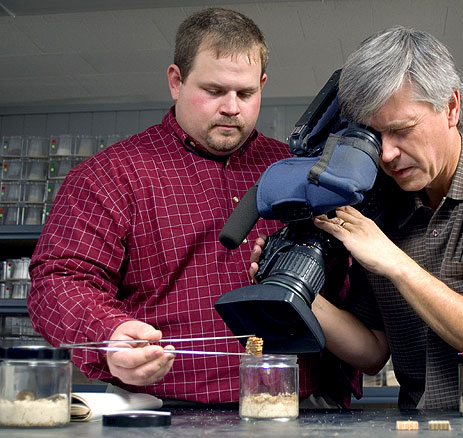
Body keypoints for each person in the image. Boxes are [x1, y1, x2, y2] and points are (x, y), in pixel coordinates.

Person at [27, 7, 351, 406]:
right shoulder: (109, 175)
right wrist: (109, 334)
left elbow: (346, 290)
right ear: (176, 81)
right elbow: (58, 280)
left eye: (246, 93)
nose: (232, 107)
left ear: (262, 85)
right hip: (164, 413)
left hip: (296, 407)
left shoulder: (296, 173)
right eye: (214, 91)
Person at [253, 26, 463, 411]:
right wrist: (292, 290)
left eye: (402, 131)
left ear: (451, 108)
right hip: (417, 423)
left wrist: (393, 261)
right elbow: (372, 350)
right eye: (375, 136)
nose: (387, 154)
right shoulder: (381, 205)